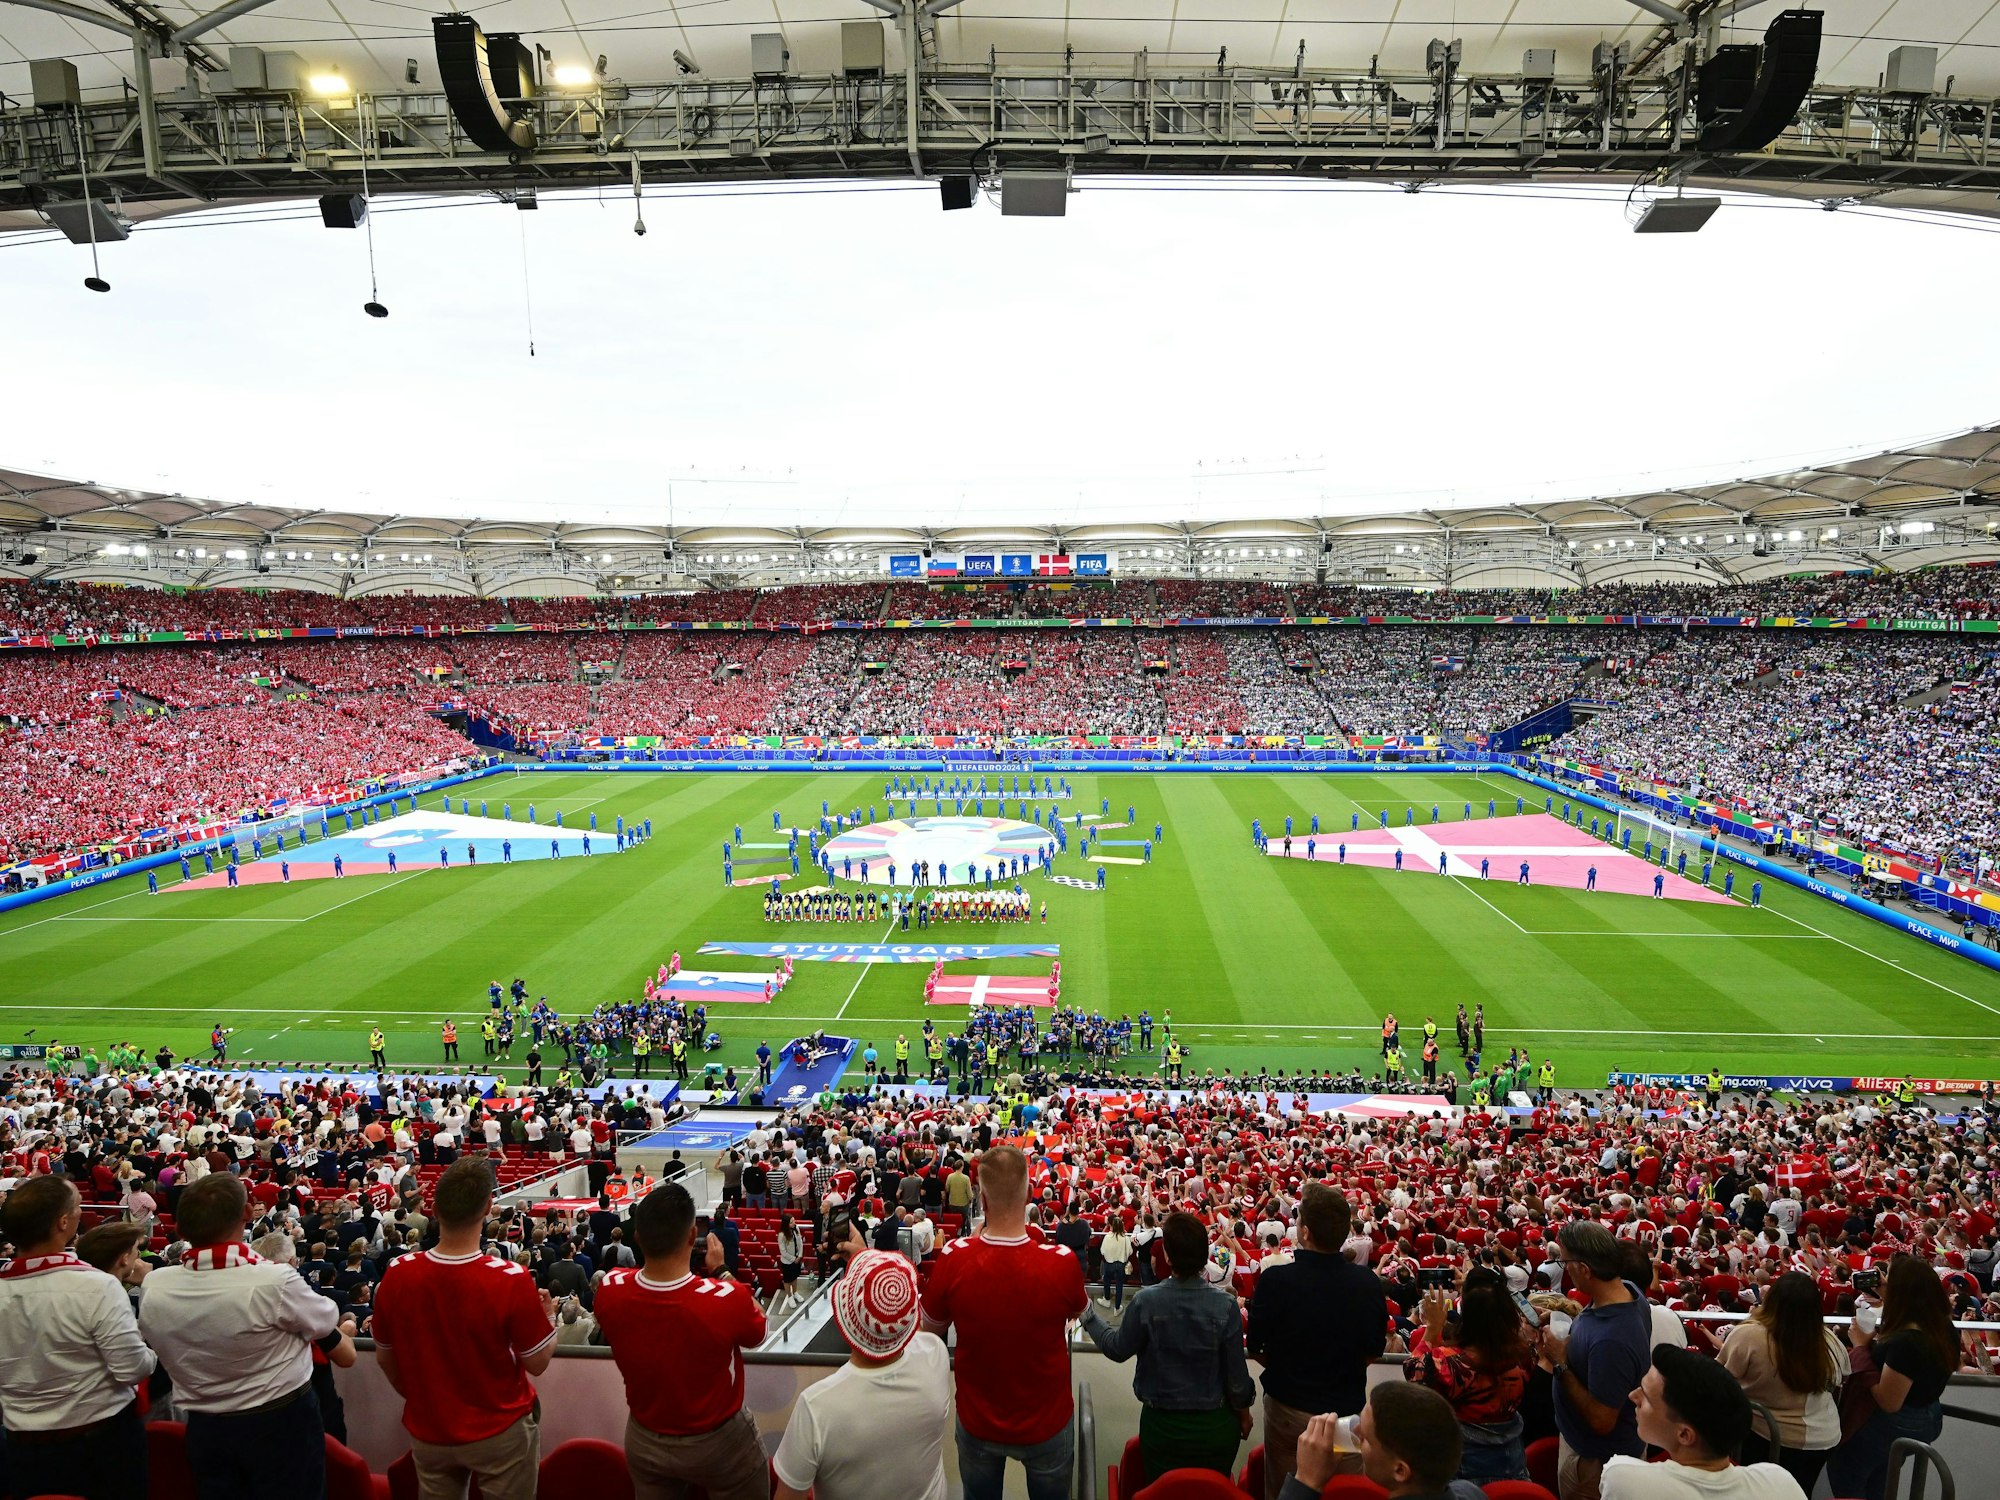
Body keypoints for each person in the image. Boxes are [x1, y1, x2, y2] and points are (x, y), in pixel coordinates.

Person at [137, 1172, 357, 1500]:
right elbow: (326, 1320)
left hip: (204, 1426)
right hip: (282, 1424)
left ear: (180, 1229)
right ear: (246, 1213)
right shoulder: (274, 1280)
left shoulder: (155, 1285)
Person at [371, 1157, 557, 1500]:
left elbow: (385, 1357)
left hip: (430, 1429)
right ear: (487, 1208)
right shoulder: (510, 1279)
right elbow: (538, 1362)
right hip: (500, 1429)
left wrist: (422, 1400)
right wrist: (550, 1318)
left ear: (436, 1209)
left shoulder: (398, 1273)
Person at [920, 1144, 1087, 1500]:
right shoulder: (1062, 1262)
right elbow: (1077, 1311)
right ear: (1028, 1195)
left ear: (981, 1199)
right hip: (1047, 1424)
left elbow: (928, 1332)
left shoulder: (954, 1259)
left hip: (978, 1422)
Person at [592, 1182, 769, 1500]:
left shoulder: (609, 1289)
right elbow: (760, 1330)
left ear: (638, 1238)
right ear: (692, 1236)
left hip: (645, 1435)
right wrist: (723, 1271)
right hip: (720, 1440)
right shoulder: (725, 1297)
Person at [0, 1175, 156, 1500]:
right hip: (100, 1443)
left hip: (20, 1442)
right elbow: (133, 1368)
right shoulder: (96, 1287)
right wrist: (151, 1351)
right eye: (77, 1207)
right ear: (63, 1223)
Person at [1080, 1211, 1256, 1485]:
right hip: (1216, 1427)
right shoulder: (1226, 1306)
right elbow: (1237, 1379)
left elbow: (1117, 1348)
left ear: (1168, 1257)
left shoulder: (1146, 1301)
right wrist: (1244, 1414)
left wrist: (1088, 1314)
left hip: (1163, 1427)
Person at [1247, 1183, 1388, 1500]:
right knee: (1346, 1494)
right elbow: (1372, 1352)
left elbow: (1256, 1349)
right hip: (1345, 1413)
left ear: (1306, 1232)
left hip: (1289, 1409)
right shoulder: (1367, 1283)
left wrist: (1289, 1371)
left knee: (1287, 1491)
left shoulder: (1276, 1280)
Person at [772, 1250, 949, 1500]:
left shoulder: (815, 1407)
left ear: (844, 1319)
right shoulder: (935, 1354)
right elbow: (904, 1323)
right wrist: (871, 1266)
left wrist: (866, 1267)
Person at [1536, 1220, 1652, 1500]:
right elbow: (1598, 1325)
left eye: (1566, 1263)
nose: (1565, 1269)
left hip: (1594, 1462)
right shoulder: (1626, 1290)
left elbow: (1602, 1421)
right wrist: (1568, 1317)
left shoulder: (1611, 1341)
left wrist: (1559, 1361)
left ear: (1584, 1269)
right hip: (1600, 1448)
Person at [1826, 1254, 1955, 1500]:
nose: (1883, 1281)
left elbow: (1889, 1401)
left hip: (1897, 1422)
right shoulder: (1942, 1325)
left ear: (1902, 1293)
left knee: (1847, 1473)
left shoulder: (1907, 1342)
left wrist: (1860, 1347)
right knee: (1882, 1475)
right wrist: (1886, 1291)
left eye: (1889, 1279)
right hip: (1927, 1414)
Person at [1602, 1345, 1806, 1499]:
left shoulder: (1622, 1477)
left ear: (1685, 1434)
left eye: (1646, 1396)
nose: (1633, 1396)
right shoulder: (1780, 1481)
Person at [1713, 1270, 1843, 1493]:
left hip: (1771, 1437)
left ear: (1771, 1300)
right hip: (1823, 1437)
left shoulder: (1750, 1335)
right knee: (1798, 1492)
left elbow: (1719, 1378)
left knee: (1759, 1492)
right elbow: (1840, 1378)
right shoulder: (1829, 1340)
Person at [1405, 1267, 1535, 1483]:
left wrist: (1433, 1327)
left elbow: (1413, 1370)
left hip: (1465, 1465)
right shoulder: (1525, 1356)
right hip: (1512, 1459)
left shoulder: (1448, 1362)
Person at [1277, 1382, 1467, 1500]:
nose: (1356, 1431)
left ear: (1400, 1471)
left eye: (1366, 1438)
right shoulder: (1469, 1491)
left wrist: (1306, 1481)